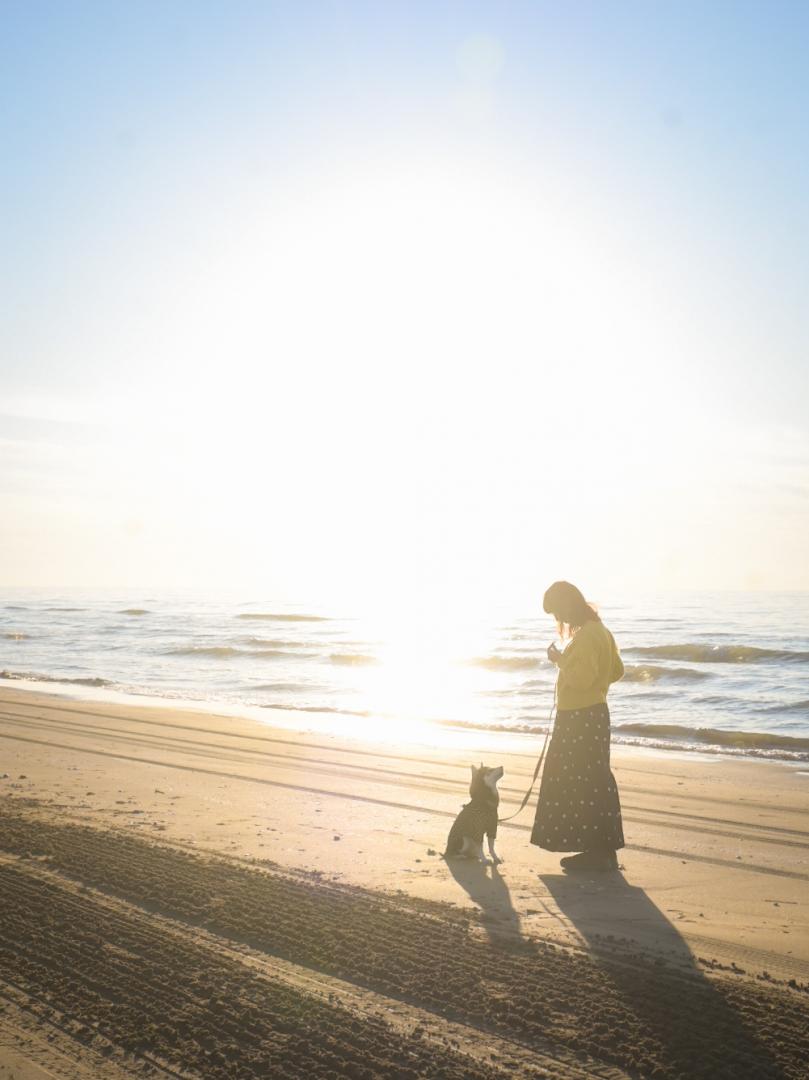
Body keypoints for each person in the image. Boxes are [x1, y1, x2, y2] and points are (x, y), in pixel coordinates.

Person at [530, 580, 625, 871]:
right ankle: (601, 849)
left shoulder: (586, 636)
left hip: (579, 717)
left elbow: (582, 679)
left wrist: (560, 660)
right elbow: (617, 671)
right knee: (593, 780)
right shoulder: (601, 632)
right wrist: (598, 686)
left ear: (568, 606)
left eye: (558, 613)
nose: (560, 620)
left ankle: (597, 851)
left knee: (580, 781)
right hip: (594, 714)